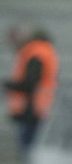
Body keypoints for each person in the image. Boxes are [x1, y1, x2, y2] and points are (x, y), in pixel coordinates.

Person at [4, 24, 58, 152]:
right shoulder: (44, 50)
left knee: (29, 150)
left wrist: (8, 85)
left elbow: (30, 83)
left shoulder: (35, 52)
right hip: (37, 109)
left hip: (31, 110)